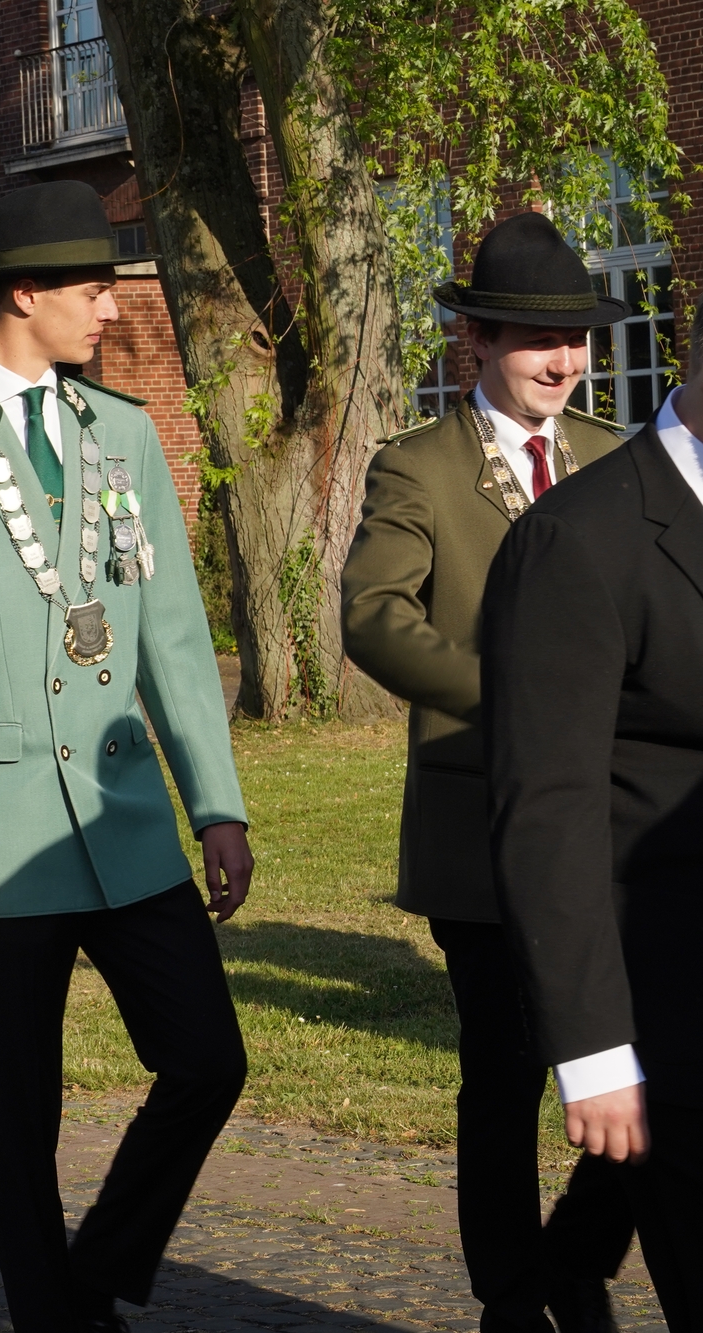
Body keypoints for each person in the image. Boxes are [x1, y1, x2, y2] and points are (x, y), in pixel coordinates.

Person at [0, 180, 253, 1333]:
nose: (109, 308)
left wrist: (215, 805)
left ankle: (92, 1273)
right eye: (92, 288)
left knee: (207, 1060)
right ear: (23, 293)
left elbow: (170, 634)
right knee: (19, 1108)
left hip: (125, 819)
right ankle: (53, 1319)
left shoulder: (119, 433)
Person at [341, 209, 635, 1333]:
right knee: (505, 1070)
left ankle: (575, 1253)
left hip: (617, 822)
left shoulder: (615, 454)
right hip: (481, 825)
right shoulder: (417, 467)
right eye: (536, 340)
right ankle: (509, 1300)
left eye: (576, 339)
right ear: (475, 340)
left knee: (648, 1049)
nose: (563, 361)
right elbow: (374, 616)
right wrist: (512, 697)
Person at [482, 303, 703, 1329]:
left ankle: (561, 1265)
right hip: (669, 1000)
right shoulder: (577, 538)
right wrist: (597, 1051)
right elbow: (548, 811)